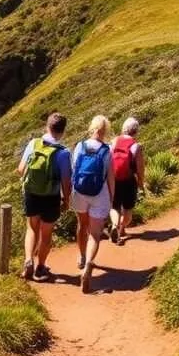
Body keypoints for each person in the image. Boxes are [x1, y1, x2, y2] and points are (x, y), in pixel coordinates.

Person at [17, 113, 73, 281]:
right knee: (46, 233)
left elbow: (20, 169)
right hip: (51, 196)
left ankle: (28, 260)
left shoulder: (33, 143)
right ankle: (40, 268)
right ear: (63, 131)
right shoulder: (63, 153)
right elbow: (66, 181)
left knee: (31, 228)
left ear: (47, 127)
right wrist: (66, 200)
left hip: (32, 193)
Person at [71, 115, 114, 294]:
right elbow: (110, 178)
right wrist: (111, 199)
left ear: (91, 128)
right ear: (105, 131)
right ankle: (89, 263)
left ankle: (81, 257)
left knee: (82, 225)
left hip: (80, 192)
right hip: (99, 194)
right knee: (95, 235)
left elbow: (74, 169)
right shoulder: (107, 151)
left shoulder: (80, 146)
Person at [109, 117, 145, 245]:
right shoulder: (136, 146)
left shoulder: (113, 142)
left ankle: (114, 225)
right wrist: (141, 183)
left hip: (114, 180)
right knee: (128, 211)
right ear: (136, 131)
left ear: (123, 129)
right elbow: (140, 169)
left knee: (115, 206)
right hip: (129, 182)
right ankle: (121, 227)